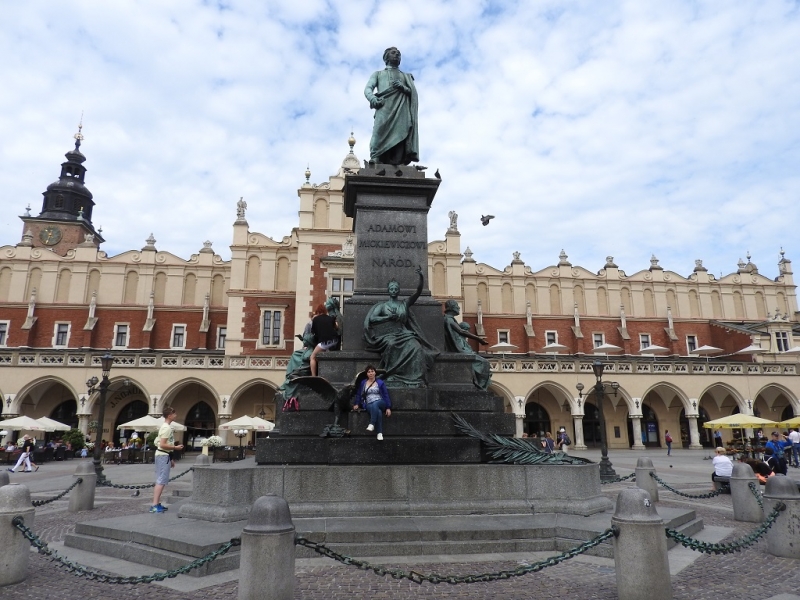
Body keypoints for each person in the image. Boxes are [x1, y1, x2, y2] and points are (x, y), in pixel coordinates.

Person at [364, 266, 438, 387]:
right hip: (387, 334)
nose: (393, 290)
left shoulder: (404, 303)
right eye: (391, 288)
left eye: (395, 289)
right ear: (388, 290)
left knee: (417, 347)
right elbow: (372, 319)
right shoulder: (382, 306)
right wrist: (388, 318)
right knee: (392, 344)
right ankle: (393, 374)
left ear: (398, 291)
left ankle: (416, 378)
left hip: (403, 333)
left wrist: (421, 277)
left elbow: (418, 292)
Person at [363, 46, 419, 165]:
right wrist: (372, 98)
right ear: (386, 58)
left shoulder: (406, 76)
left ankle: (398, 162)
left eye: (399, 53)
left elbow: (412, 93)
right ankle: (375, 158)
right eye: (393, 53)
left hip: (401, 110)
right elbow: (368, 89)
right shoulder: (378, 74)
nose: (397, 54)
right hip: (384, 107)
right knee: (378, 134)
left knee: (401, 134)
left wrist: (402, 87)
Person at [442, 299, 491, 390]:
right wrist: (479, 339)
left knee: (483, 362)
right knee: (484, 363)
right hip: (458, 350)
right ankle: (480, 387)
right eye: (457, 306)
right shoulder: (448, 319)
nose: (458, 307)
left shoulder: (448, 319)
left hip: (458, 349)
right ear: (452, 308)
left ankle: (479, 385)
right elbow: (461, 331)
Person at [150, 406, 184, 513]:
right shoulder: (166, 428)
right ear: (169, 415)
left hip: (165, 456)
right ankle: (155, 505)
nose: (176, 415)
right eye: (174, 413)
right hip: (162, 455)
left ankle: (156, 503)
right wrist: (175, 448)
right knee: (161, 480)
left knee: (162, 480)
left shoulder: (166, 427)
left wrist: (171, 458)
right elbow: (162, 444)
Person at [353, 365, 392, 441]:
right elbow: (359, 394)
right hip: (368, 404)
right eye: (369, 372)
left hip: (381, 402)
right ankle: (379, 433)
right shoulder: (363, 383)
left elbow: (385, 395)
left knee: (376, 404)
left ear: (375, 373)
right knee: (378, 412)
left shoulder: (380, 383)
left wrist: (388, 407)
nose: (371, 373)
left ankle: (372, 424)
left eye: (372, 371)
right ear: (367, 374)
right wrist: (357, 403)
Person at [309, 304, 339, 377]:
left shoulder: (315, 319)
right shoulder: (330, 318)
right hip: (335, 340)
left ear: (317, 312)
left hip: (324, 342)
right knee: (322, 354)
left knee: (312, 357)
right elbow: (336, 327)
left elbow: (313, 333)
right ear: (325, 311)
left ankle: (313, 376)